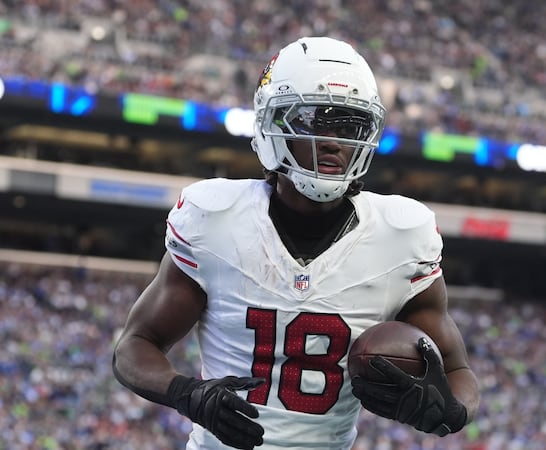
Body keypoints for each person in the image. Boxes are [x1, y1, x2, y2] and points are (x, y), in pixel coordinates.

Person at [112, 36, 480, 450]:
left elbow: (457, 370)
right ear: (273, 124)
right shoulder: (214, 220)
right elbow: (134, 345)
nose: (334, 141)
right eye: (315, 121)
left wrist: (450, 411)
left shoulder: (401, 236)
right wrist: (187, 394)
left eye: (348, 126)